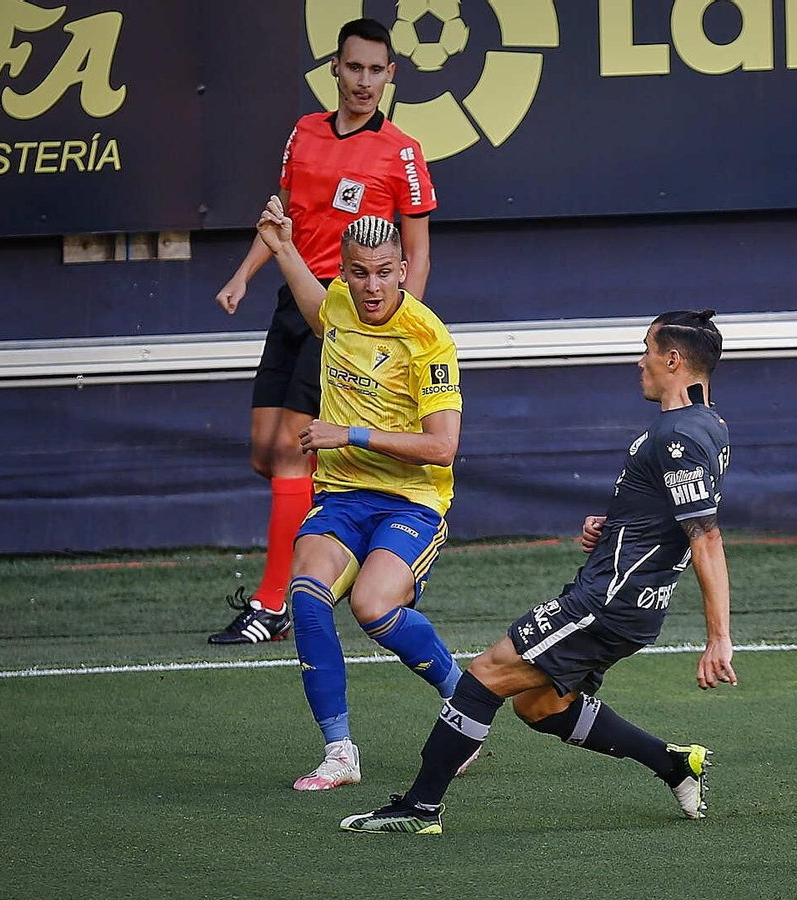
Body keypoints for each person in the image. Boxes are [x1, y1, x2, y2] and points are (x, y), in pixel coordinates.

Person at [340, 310, 736, 834]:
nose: (639, 360)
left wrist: (718, 637)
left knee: (485, 676)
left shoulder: (677, 435)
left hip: (609, 600)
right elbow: (672, 515)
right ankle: (674, 765)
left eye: (646, 348)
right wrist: (615, 526)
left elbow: (705, 536)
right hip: (625, 598)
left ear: (672, 360)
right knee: (539, 704)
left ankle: (419, 809)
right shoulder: (709, 426)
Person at [209, 17, 437, 645]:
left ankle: (276, 602)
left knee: (291, 450)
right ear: (333, 69)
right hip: (294, 302)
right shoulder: (304, 133)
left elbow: (417, 253)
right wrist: (243, 277)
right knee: (266, 453)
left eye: (375, 70)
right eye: (353, 67)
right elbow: (279, 217)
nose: (364, 81)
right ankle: (344, 556)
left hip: (349, 317)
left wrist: (396, 331)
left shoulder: (403, 152)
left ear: (390, 76)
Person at [254, 198, 463, 791]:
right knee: (307, 593)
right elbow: (321, 313)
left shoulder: (428, 339)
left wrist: (348, 433)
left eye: (383, 272)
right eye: (358, 271)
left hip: (412, 502)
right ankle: (340, 752)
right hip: (343, 495)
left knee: (373, 607)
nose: (371, 285)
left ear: (403, 270)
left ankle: (464, 701)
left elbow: (443, 447)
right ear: (343, 271)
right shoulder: (341, 304)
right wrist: (285, 248)